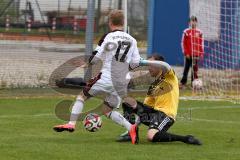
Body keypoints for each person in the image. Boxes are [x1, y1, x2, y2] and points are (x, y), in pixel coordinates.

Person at [53, 10, 140, 145]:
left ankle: (71, 123)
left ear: (110, 22)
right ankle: (131, 128)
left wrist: (86, 63)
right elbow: (135, 63)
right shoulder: (132, 40)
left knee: (82, 96)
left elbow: (97, 57)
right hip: (123, 80)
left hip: (106, 77)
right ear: (123, 22)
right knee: (107, 110)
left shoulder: (109, 37)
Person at [117, 54, 202, 145]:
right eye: (148, 65)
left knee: (151, 136)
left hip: (166, 115)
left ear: (159, 66)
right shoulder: (153, 86)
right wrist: (134, 127)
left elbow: (166, 65)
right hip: (154, 114)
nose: (149, 68)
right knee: (127, 102)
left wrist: (142, 62)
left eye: (151, 65)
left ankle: (186, 138)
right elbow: (144, 109)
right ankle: (130, 133)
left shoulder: (169, 76)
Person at [180, 16, 204, 88]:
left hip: (196, 54)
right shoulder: (186, 32)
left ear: (196, 22)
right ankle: (183, 83)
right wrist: (186, 53)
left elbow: (201, 43)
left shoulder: (199, 32)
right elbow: (183, 43)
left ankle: (194, 84)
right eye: (191, 21)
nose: (193, 22)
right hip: (188, 54)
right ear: (189, 23)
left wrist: (201, 53)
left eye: (194, 21)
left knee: (195, 69)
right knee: (186, 68)